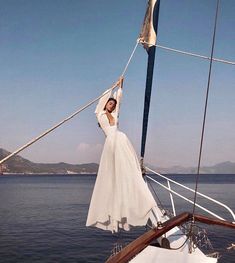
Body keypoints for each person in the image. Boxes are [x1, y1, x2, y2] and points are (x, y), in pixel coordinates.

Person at [86, 78, 161, 233]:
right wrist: (113, 86)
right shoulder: (99, 113)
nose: (111, 105)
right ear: (106, 103)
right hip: (111, 144)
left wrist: (121, 85)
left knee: (128, 171)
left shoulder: (115, 112)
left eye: (113, 104)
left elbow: (119, 99)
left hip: (121, 141)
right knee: (112, 175)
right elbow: (102, 100)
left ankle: (136, 196)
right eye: (109, 103)